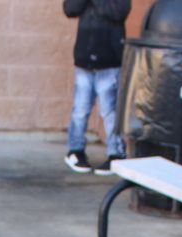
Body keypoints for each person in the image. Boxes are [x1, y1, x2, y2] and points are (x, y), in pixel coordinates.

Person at [63, 0, 130, 174]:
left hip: (109, 61)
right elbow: (70, 9)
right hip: (84, 60)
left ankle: (117, 154)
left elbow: (118, 12)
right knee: (80, 109)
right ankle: (75, 151)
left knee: (110, 111)